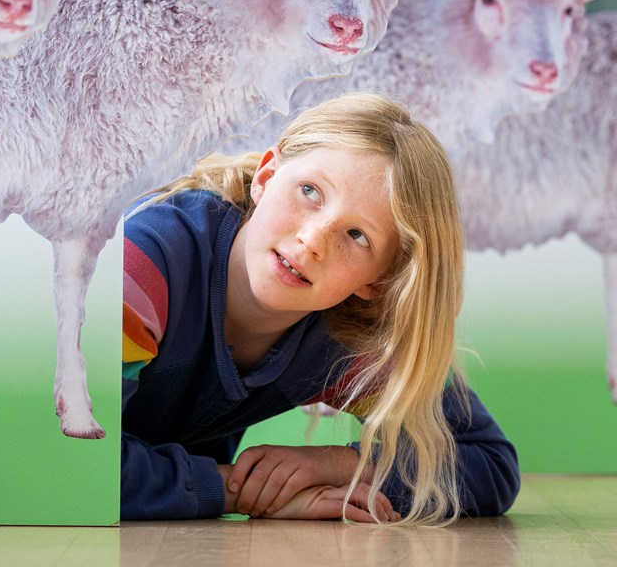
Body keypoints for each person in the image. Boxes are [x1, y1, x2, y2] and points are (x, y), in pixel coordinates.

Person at [121, 91, 520, 524]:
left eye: (357, 236)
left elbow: (487, 461)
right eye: (310, 191)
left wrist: (339, 465)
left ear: (377, 282)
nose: (313, 240)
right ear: (267, 176)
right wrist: (240, 490)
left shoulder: (345, 337)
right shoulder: (144, 267)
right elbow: (65, 456)